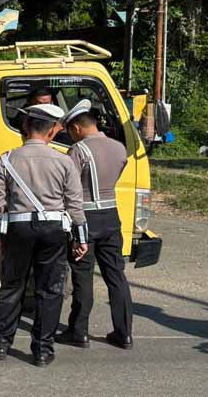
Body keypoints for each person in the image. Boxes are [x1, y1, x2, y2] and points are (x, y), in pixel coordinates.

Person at [0, 103, 89, 367]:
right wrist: (82, 238)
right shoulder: (64, 160)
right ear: (53, 131)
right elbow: (74, 205)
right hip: (53, 230)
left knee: (12, 286)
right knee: (50, 289)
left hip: (18, 229)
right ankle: (42, 350)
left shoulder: (7, 159)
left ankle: (1, 343)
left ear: (25, 127)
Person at [56, 100, 134, 350]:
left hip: (85, 220)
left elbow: (70, 188)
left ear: (77, 128)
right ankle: (124, 333)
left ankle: (79, 331)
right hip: (111, 217)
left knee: (83, 276)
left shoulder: (78, 151)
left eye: (70, 131)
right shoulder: (120, 148)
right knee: (116, 275)